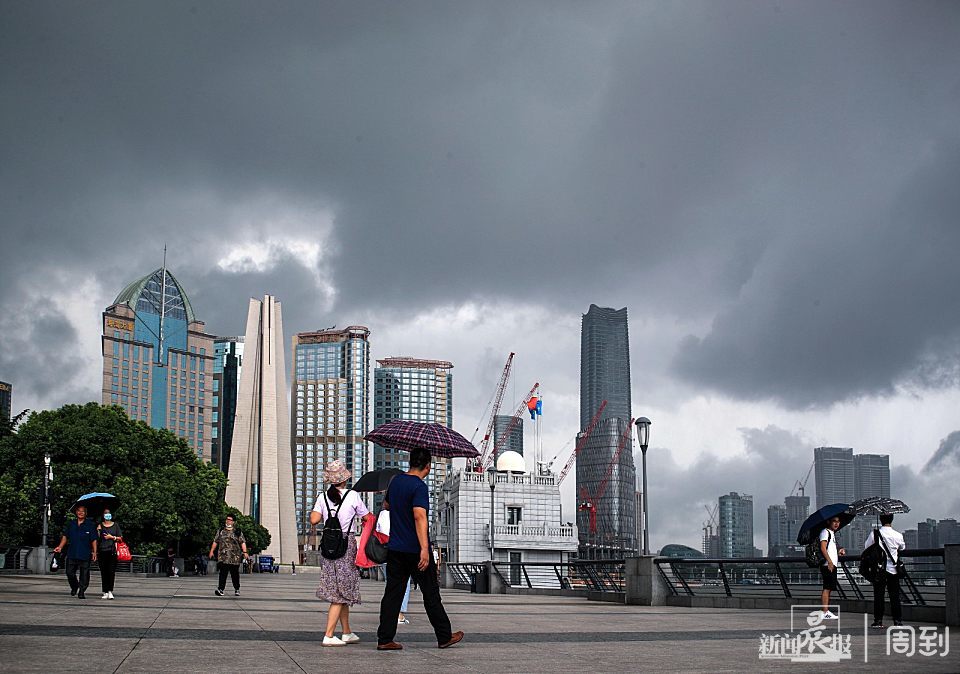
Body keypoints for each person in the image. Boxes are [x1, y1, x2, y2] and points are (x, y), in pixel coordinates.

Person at [377, 448, 463, 651]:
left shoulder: (395, 481)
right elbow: (419, 516)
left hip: (395, 548)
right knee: (431, 593)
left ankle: (385, 639)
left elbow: (387, 505)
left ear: (410, 462)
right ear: (428, 466)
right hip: (415, 550)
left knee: (392, 594)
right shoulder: (419, 486)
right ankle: (444, 636)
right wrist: (424, 549)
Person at [309, 459, 373, 647]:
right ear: (344, 479)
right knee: (340, 591)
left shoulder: (322, 497)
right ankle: (329, 635)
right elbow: (367, 517)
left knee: (339, 588)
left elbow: (314, 519)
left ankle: (346, 632)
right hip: (346, 545)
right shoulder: (352, 496)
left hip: (329, 547)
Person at [864, 513, 906, 628]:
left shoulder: (875, 534)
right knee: (895, 597)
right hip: (894, 570)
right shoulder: (898, 535)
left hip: (879, 570)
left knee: (879, 596)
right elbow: (902, 547)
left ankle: (878, 621)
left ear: (880, 520)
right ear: (892, 519)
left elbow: (866, 546)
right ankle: (897, 621)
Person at [376, 497, 412, 624]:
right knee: (404, 584)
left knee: (390, 585)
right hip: (400, 552)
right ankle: (399, 614)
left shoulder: (381, 514)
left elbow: (379, 531)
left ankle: (390, 613)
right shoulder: (403, 513)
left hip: (385, 554)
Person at [53, 504, 99, 599]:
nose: (80, 512)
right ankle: (74, 586)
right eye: (78, 510)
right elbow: (65, 536)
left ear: (86, 513)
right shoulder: (71, 523)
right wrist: (60, 547)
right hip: (72, 552)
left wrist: (94, 552)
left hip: (85, 553)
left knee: (84, 574)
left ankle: (82, 591)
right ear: (76, 512)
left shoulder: (90, 525)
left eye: (83, 511)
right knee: (69, 573)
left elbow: (94, 540)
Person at [209, 514, 248, 596]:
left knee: (235, 574)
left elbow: (242, 542)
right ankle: (221, 589)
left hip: (235, 557)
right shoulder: (221, 531)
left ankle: (237, 589)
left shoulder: (237, 532)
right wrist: (212, 551)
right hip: (223, 557)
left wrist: (245, 552)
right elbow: (216, 541)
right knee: (223, 573)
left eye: (230, 520)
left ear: (233, 522)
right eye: (227, 519)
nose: (228, 521)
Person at [819, 516, 846, 619]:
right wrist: (829, 561)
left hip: (832, 564)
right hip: (827, 565)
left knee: (829, 588)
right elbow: (823, 548)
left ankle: (826, 611)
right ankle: (825, 612)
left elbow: (830, 549)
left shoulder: (831, 533)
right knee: (827, 588)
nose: (836, 523)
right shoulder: (825, 532)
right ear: (828, 521)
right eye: (834, 521)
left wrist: (839, 551)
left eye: (838, 522)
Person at [97, 508, 122, 600]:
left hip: (112, 551)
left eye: (109, 513)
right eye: (105, 513)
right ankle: (105, 591)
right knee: (103, 572)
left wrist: (112, 537)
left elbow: (120, 538)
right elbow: (97, 539)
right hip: (102, 551)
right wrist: (98, 531)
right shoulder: (100, 525)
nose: (107, 515)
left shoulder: (115, 525)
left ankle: (110, 590)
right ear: (103, 515)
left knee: (111, 572)